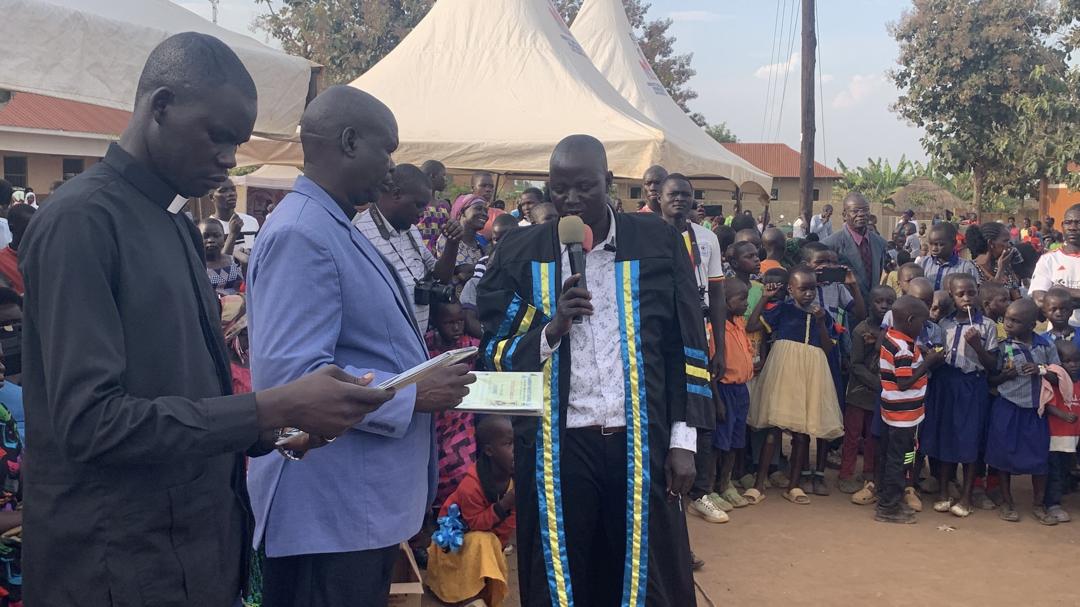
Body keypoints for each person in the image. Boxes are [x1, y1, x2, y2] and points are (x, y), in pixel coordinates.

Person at [18, 34, 396, 607]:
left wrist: (279, 429)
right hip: (114, 565)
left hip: (193, 553)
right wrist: (272, 406)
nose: (228, 159)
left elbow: (182, 394)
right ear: (161, 106)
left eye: (236, 143)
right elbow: (91, 423)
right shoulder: (81, 222)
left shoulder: (171, 219)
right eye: (217, 136)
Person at [245, 85, 477, 607]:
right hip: (327, 514)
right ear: (350, 142)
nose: (392, 168)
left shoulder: (335, 226)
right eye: (386, 150)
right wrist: (412, 395)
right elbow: (293, 380)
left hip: (353, 510)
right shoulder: (302, 234)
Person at [477, 135, 713, 606]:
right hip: (559, 446)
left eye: (584, 187)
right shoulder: (521, 253)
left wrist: (684, 441)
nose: (570, 199)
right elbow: (497, 352)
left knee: (645, 575)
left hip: (640, 439)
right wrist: (552, 328)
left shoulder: (658, 242)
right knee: (566, 576)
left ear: (608, 182)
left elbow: (685, 344)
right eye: (559, 188)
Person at [657, 174, 728, 526]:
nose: (679, 200)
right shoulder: (647, 234)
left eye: (685, 194)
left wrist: (720, 346)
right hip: (659, 335)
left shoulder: (707, 238)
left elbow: (716, 293)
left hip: (696, 332)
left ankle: (699, 493)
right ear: (659, 198)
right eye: (673, 194)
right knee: (663, 410)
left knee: (699, 410)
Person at [746, 266, 844, 505]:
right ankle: (759, 484)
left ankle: (794, 486)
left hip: (812, 372)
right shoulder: (783, 309)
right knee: (774, 427)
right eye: (803, 289)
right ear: (791, 289)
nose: (809, 294)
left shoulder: (823, 316)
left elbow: (827, 347)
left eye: (812, 289)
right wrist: (765, 298)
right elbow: (752, 325)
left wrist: (820, 323)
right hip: (784, 370)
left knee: (802, 433)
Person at [920, 274, 998, 518]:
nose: (966, 298)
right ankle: (944, 491)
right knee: (946, 435)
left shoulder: (987, 326)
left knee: (969, 438)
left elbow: (992, 365)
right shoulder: (944, 324)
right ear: (951, 296)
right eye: (960, 294)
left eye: (971, 293)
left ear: (978, 293)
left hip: (972, 385)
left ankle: (966, 496)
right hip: (946, 384)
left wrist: (977, 346)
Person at [354, 163, 461, 333]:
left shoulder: (411, 231)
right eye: (418, 205)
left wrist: (452, 243)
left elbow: (441, 277)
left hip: (415, 339)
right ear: (396, 194)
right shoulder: (359, 233)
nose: (422, 213)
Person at [426, 415, 517, 607]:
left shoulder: (514, 481)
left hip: (487, 544)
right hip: (456, 544)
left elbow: (509, 526)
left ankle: (484, 589)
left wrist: (497, 550)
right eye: (508, 444)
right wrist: (504, 504)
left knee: (490, 542)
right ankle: (467, 596)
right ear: (489, 450)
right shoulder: (472, 485)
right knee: (483, 540)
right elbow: (474, 523)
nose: (515, 451)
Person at [985, 299, 1061, 525]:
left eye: (1016, 321)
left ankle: (1038, 505)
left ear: (1031, 325)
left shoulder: (1045, 346)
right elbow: (992, 379)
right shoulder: (1003, 347)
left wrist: (1040, 370)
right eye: (1007, 319)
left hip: (1036, 409)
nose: (1008, 324)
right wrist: (1004, 376)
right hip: (1008, 406)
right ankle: (1007, 502)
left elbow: (1058, 376)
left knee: (1039, 457)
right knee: (1003, 455)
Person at [876, 296, 943, 524]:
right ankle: (888, 507)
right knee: (899, 460)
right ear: (911, 320)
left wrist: (920, 353)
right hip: (903, 416)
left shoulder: (892, 338)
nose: (923, 328)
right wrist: (928, 362)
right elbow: (904, 382)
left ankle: (888, 498)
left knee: (894, 457)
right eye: (922, 323)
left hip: (893, 412)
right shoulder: (903, 348)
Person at [707, 279, 755, 519]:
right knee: (719, 442)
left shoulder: (739, 324)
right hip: (723, 390)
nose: (746, 304)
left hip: (740, 391)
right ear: (725, 302)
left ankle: (726, 484)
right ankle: (710, 487)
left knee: (736, 441)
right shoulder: (714, 330)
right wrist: (716, 400)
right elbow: (712, 369)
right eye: (741, 299)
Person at [841, 285, 896, 495]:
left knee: (874, 437)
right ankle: (846, 474)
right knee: (852, 436)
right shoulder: (860, 330)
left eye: (889, 302)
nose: (884, 306)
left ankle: (869, 473)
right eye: (878, 301)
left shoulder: (895, 331)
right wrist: (877, 383)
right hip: (859, 393)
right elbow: (855, 365)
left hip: (880, 396)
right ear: (870, 303)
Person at [823, 192, 887, 304]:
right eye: (855, 211)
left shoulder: (880, 243)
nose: (861, 214)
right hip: (845, 308)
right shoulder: (830, 244)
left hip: (872, 308)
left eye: (865, 210)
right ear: (844, 215)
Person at [1045, 339, 1080, 523]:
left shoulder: (1078, 384)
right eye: (1067, 361)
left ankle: (1057, 498)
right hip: (1055, 437)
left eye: (1076, 360)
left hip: (1072, 438)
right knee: (1055, 472)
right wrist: (1064, 415)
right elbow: (1048, 406)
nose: (1073, 365)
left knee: (1066, 470)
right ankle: (1052, 504)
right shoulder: (1055, 385)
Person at [1032, 204, 1080, 326]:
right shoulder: (1048, 259)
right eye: (1068, 223)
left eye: (1078, 222)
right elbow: (1039, 299)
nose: (1072, 228)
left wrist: (1061, 291)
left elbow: (1048, 299)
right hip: (1059, 334)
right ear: (1062, 226)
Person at [916, 222, 980, 291]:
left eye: (940, 244)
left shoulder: (966, 268)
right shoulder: (923, 264)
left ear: (953, 243)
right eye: (931, 244)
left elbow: (974, 292)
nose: (934, 248)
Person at [208, 177, 260, 261]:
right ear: (211, 197)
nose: (231, 193)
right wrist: (232, 235)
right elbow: (214, 263)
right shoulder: (208, 228)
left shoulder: (251, 221)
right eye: (223, 190)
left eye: (233, 189)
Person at [967, 222, 1021, 300]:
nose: (1009, 245)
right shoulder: (970, 269)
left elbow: (1017, 299)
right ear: (991, 243)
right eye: (1005, 241)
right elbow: (989, 298)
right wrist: (1000, 271)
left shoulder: (1005, 266)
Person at [442, 194, 489, 270]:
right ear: (462, 212)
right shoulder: (448, 238)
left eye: (486, 211)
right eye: (478, 209)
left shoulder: (481, 242)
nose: (484, 214)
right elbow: (451, 272)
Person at [200, 219, 244, 295]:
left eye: (216, 235)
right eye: (205, 236)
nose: (210, 240)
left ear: (224, 238)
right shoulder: (198, 267)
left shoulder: (235, 261)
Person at [418, 159, 451, 253]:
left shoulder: (444, 206)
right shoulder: (417, 204)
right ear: (432, 176)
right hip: (419, 253)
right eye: (443, 175)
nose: (446, 179)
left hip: (440, 255)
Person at [0, 204, 32, 295]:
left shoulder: (45, 256)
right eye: (28, 228)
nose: (34, 232)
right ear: (11, 228)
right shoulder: (2, 262)